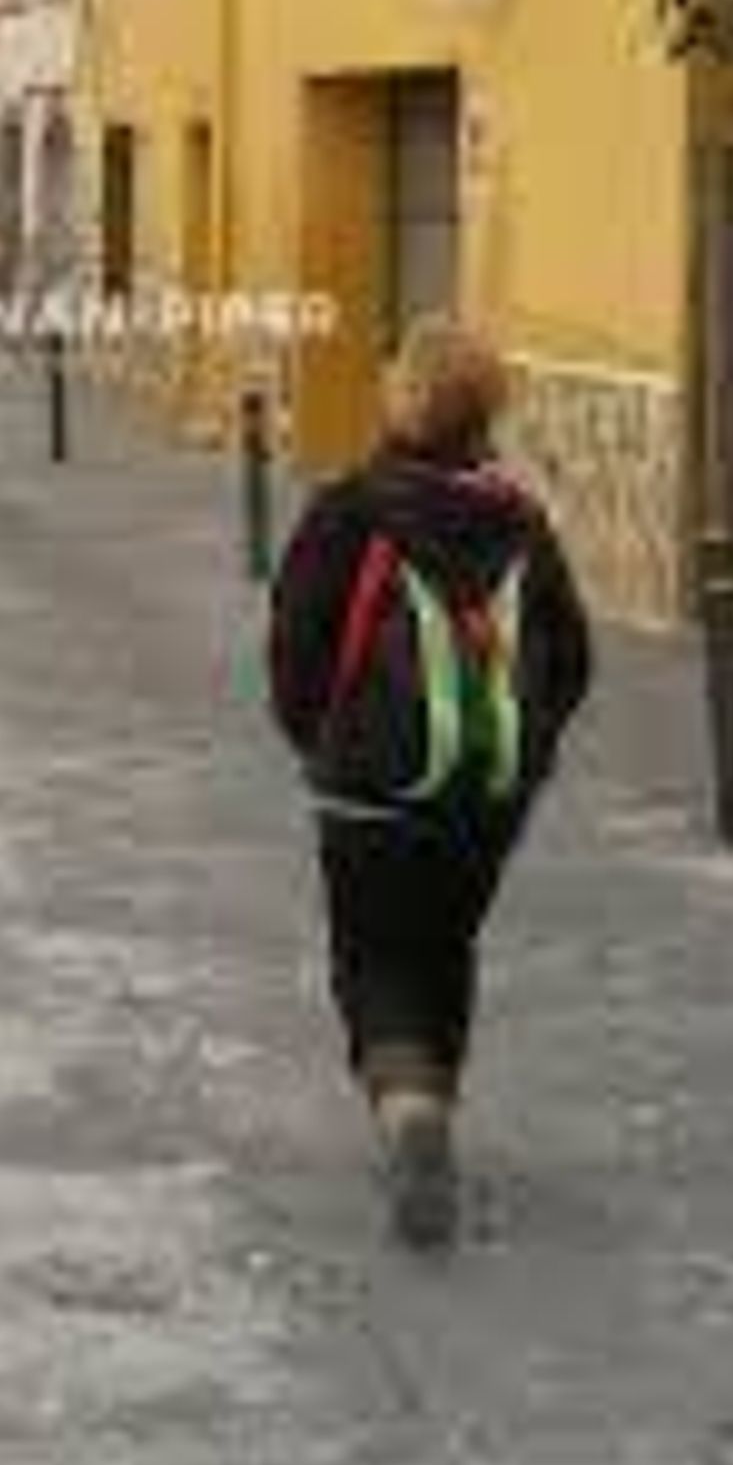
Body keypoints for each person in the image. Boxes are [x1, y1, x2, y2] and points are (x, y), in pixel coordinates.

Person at [266, 315, 593, 1249]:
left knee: (371, 957)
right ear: (486, 410)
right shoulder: (520, 519)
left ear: (402, 394)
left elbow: (295, 647)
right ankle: (434, 1099)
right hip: (483, 798)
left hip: (367, 790)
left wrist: (321, 741)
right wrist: (523, 760)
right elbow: (570, 658)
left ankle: (409, 1110)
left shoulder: (349, 509)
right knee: (445, 947)